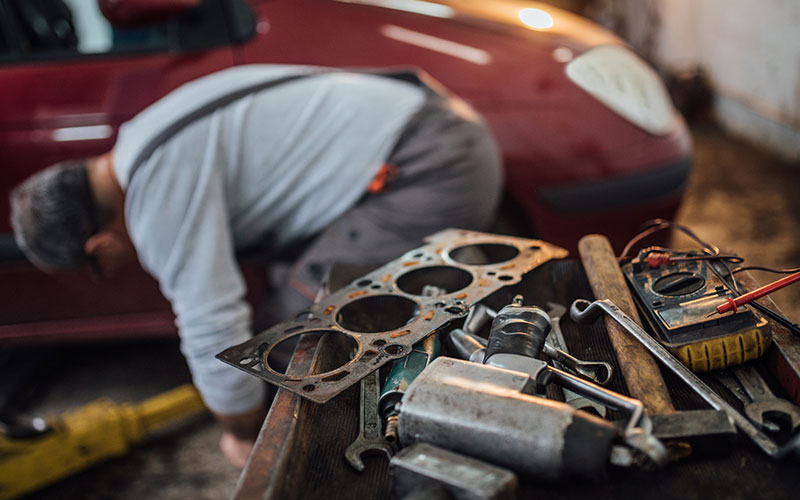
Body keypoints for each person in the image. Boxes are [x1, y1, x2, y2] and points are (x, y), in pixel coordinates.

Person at [9, 65, 502, 467]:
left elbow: (212, 326)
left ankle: (370, 459)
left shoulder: (155, 196)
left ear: (98, 245)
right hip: (433, 125)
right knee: (287, 302)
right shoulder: (141, 138)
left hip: (430, 166)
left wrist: (240, 434)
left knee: (288, 342)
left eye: (101, 266)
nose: (117, 266)